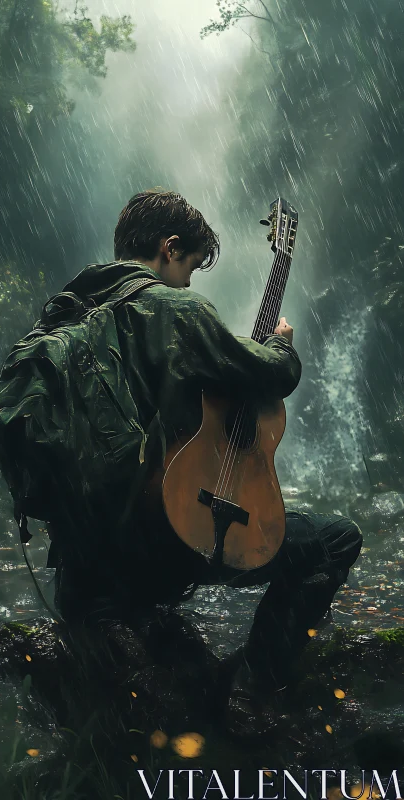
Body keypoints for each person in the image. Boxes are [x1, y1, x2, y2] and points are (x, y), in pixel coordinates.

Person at [50, 188, 362, 722]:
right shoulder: (174, 309)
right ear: (169, 248)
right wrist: (281, 344)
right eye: (191, 267)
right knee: (337, 539)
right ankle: (255, 682)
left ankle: (120, 625)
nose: (190, 282)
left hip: (87, 562)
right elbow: (274, 373)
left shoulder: (71, 312)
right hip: (165, 544)